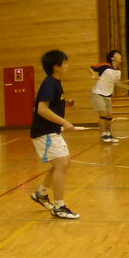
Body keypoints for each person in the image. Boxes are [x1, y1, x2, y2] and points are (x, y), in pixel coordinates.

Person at [29, 49, 81, 220]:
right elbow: (41, 109)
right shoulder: (50, 83)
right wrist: (64, 122)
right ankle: (59, 207)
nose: (67, 66)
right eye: (65, 63)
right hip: (44, 132)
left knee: (64, 163)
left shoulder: (55, 83)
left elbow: (52, 104)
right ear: (56, 67)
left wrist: (65, 103)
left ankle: (41, 194)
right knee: (61, 164)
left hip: (52, 131)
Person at [88, 49, 129, 143]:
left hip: (108, 95)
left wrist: (124, 83)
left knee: (109, 115)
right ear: (112, 58)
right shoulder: (105, 66)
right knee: (103, 114)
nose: (120, 56)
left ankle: (109, 133)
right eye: (117, 54)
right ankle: (103, 135)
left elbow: (116, 83)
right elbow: (90, 68)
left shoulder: (118, 72)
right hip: (98, 93)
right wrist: (93, 75)